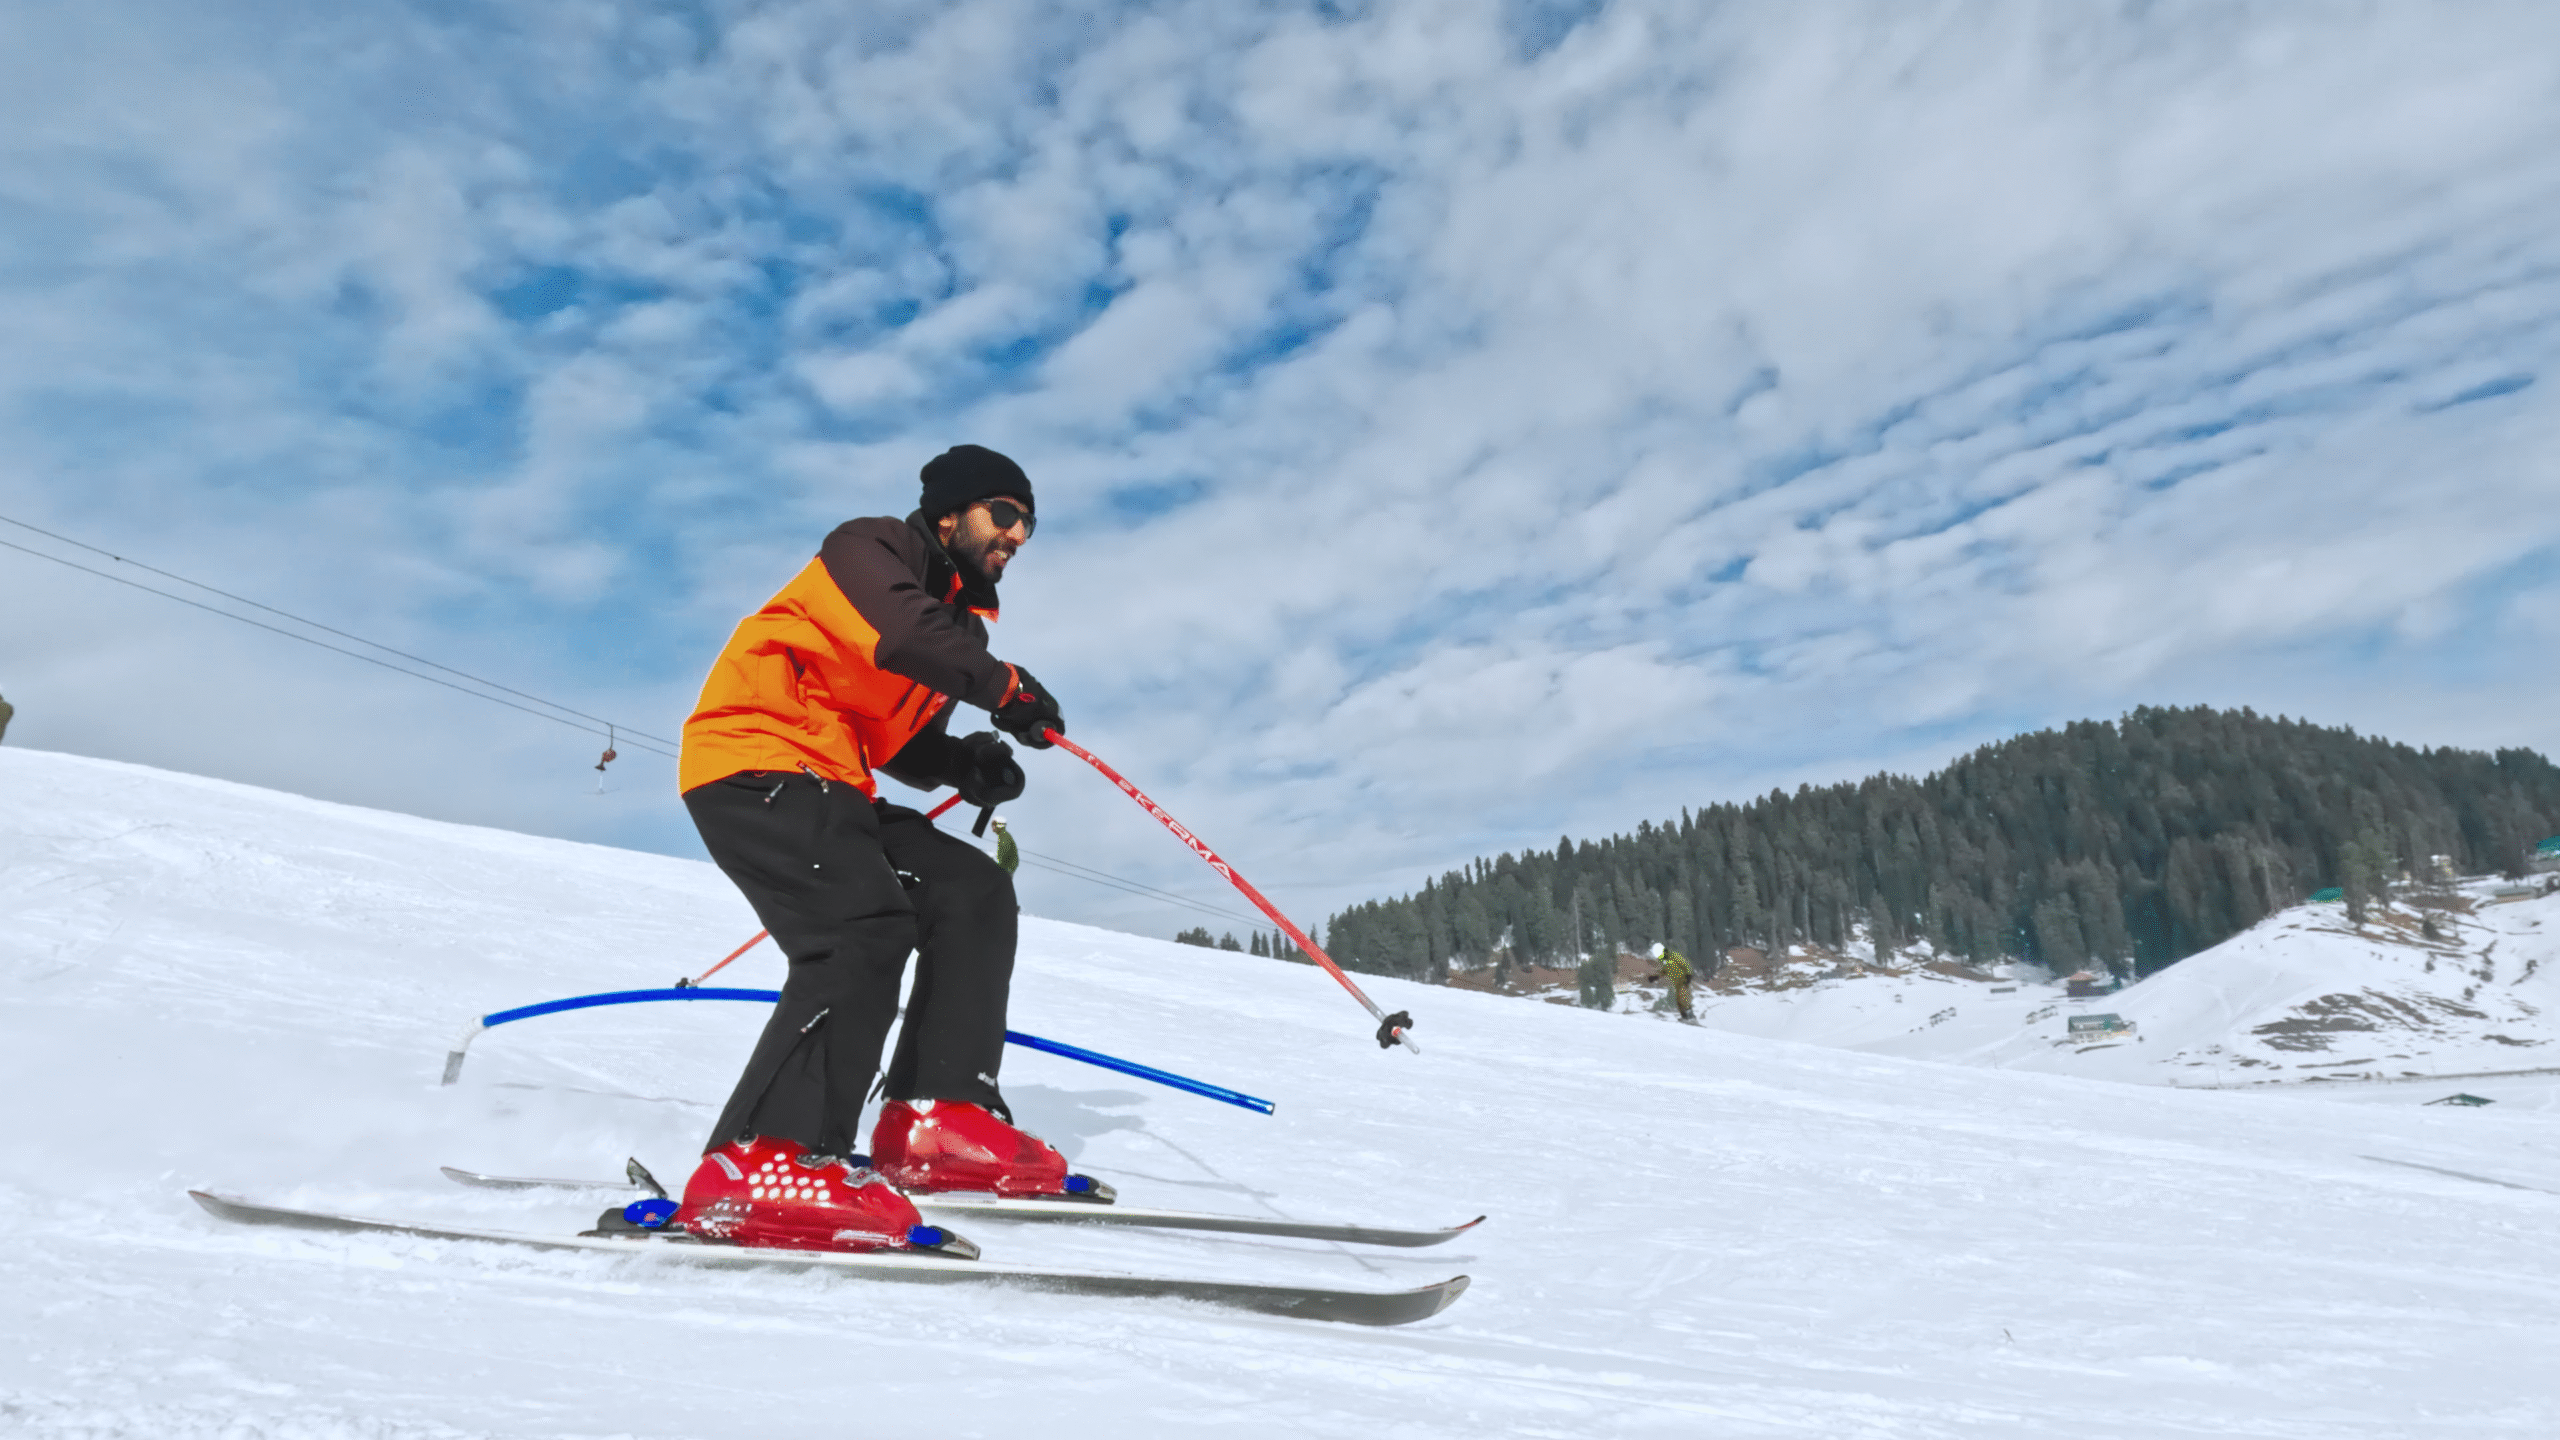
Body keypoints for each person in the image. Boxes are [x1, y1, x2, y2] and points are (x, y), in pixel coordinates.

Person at [666, 444, 1101, 1255]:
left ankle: (938, 1120)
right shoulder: (866, 553)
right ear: (949, 513)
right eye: (1004, 514)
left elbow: (895, 738)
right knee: (862, 925)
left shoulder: (957, 627)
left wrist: (962, 761)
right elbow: (904, 636)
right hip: (749, 763)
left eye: (1029, 524)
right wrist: (1005, 690)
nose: (1018, 535)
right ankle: (765, 1157)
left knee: (967, 889)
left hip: (830, 778)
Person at [1651, 942, 1699, 1024]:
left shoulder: (1673, 955)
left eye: (1660, 955)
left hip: (1683, 979)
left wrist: (1689, 975)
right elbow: (1664, 971)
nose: (1660, 957)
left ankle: (1690, 1018)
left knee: (1683, 998)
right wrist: (1656, 977)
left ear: (1663, 951)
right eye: (1659, 956)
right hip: (1676, 983)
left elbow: (1685, 964)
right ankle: (1685, 1017)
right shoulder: (1664, 961)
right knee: (1679, 1000)